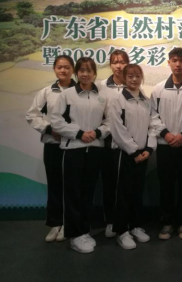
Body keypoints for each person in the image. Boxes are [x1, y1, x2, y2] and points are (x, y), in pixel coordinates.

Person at [51, 57, 110, 254]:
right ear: (77, 73)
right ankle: (74, 235)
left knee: (88, 192)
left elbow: (110, 121)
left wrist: (97, 132)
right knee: (73, 194)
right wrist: (78, 134)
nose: (85, 74)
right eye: (82, 70)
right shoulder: (67, 95)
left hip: (95, 149)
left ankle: (84, 231)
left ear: (95, 73)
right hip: (73, 149)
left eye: (89, 70)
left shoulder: (102, 95)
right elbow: (56, 121)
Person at [150, 48, 182, 241]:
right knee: (166, 184)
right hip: (165, 145)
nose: (177, 64)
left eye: (181, 60)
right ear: (168, 62)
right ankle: (167, 221)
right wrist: (166, 134)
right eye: (174, 60)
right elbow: (152, 115)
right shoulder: (158, 89)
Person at [26, 55, 76, 243]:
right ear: (54, 69)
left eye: (67, 67)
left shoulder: (80, 91)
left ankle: (69, 223)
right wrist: (49, 129)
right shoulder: (46, 92)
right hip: (53, 145)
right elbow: (32, 115)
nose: (63, 70)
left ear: (73, 69)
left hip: (75, 146)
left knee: (73, 185)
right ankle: (56, 223)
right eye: (59, 67)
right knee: (55, 185)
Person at [109, 64, 156, 250]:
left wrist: (149, 149)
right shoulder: (117, 100)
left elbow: (152, 126)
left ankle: (135, 226)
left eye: (137, 76)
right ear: (124, 78)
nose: (134, 79)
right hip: (124, 154)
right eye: (130, 76)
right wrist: (134, 151)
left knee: (137, 192)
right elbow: (117, 129)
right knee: (123, 193)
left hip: (142, 155)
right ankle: (121, 231)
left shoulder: (146, 100)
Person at [98, 49, 130, 239]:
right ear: (110, 65)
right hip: (106, 142)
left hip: (128, 143)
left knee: (126, 185)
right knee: (109, 183)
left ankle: (125, 222)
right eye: (115, 62)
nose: (119, 66)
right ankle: (110, 221)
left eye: (122, 62)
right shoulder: (101, 87)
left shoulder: (133, 85)